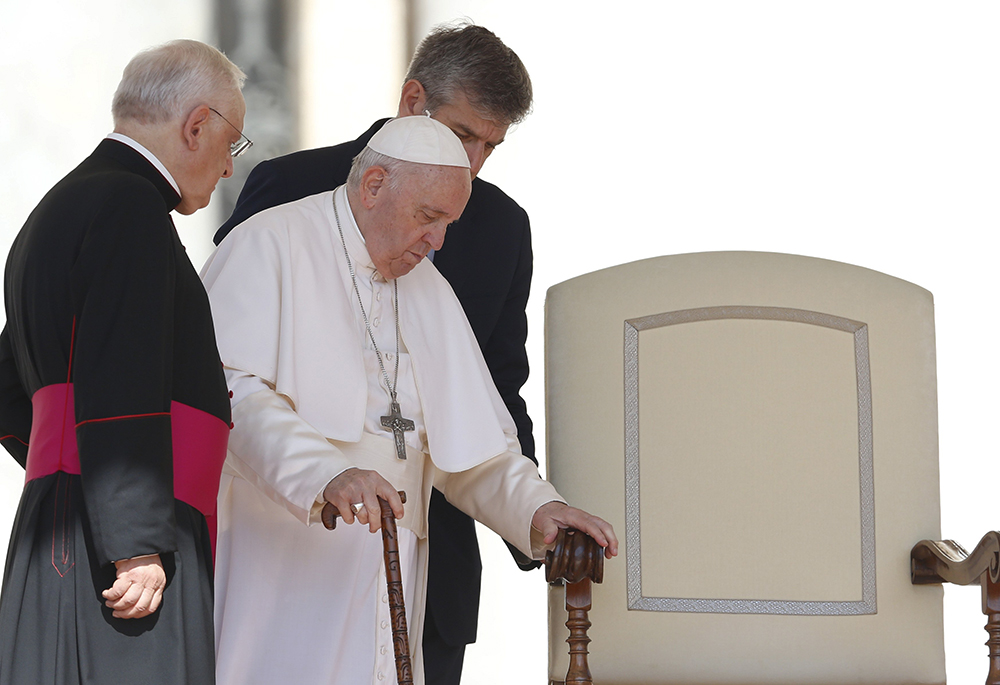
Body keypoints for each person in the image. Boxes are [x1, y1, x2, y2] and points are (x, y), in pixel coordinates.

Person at [203, 115, 617, 685]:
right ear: (373, 185)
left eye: (449, 223)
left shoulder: (427, 286)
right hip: (283, 574)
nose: (438, 241)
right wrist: (326, 473)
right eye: (428, 218)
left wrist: (537, 510)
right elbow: (230, 392)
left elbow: (476, 451)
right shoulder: (270, 243)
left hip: (390, 581)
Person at [214, 23, 537, 682]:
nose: (473, 163)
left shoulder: (466, 249)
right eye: (463, 135)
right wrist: (322, 474)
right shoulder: (280, 217)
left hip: (410, 574)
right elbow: (226, 381)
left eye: (491, 146)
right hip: (285, 562)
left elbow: (485, 420)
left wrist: (536, 514)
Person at [0, 40, 248, 684]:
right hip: (123, 553)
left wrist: (70, 471)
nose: (227, 168)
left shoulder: (57, 208)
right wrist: (136, 542)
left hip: (62, 528)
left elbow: (8, 385)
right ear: (197, 125)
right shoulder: (129, 209)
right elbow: (121, 373)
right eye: (233, 144)